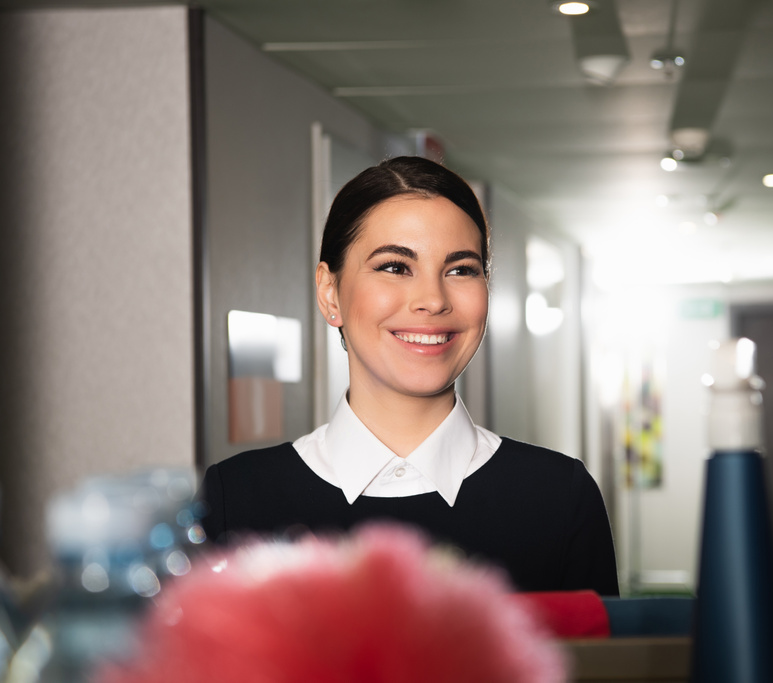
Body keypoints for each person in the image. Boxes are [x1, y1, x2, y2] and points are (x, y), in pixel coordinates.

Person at [200, 156, 619, 596]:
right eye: (395, 267)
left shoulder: (558, 497)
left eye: (460, 269)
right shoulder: (236, 500)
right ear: (330, 294)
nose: (433, 300)